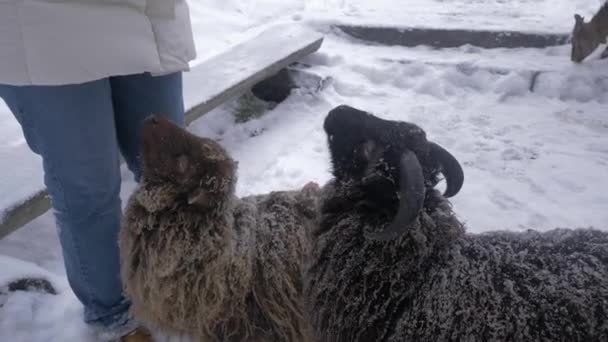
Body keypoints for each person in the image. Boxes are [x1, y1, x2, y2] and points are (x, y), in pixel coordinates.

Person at [0, 1, 196, 341]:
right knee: (89, 189)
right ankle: (115, 316)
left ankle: (187, 282)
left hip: (141, 14)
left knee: (178, 171)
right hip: (44, 23)